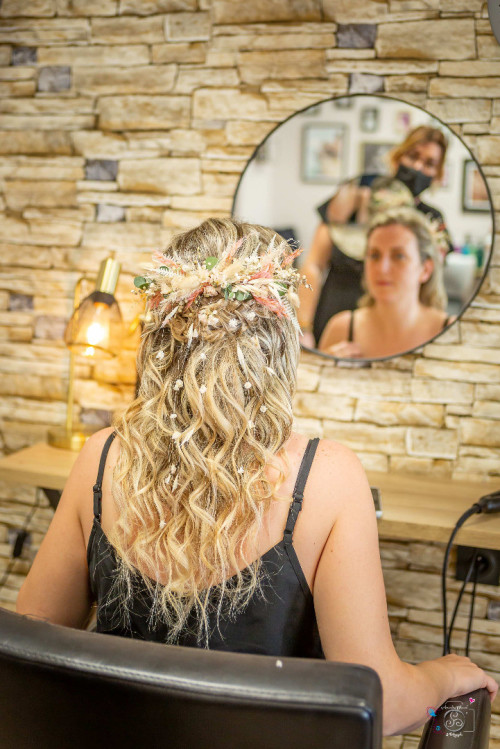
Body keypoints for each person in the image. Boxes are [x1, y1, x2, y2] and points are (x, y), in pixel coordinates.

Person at [16, 219, 497, 736]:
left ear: (160, 336)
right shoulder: (327, 479)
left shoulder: (101, 458)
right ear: (278, 343)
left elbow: (27, 654)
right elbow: (385, 708)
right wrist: (443, 675)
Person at [298, 125, 452, 347]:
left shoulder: (432, 220)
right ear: (398, 157)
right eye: (413, 156)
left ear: (437, 174)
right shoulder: (353, 195)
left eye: (429, 164)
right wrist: (303, 328)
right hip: (333, 316)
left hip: (394, 332)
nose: (418, 167)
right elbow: (314, 264)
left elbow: (431, 286)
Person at [318, 208, 452, 359]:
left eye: (399, 256)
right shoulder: (341, 329)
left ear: (425, 270)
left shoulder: (450, 330)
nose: (382, 269)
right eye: (374, 255)